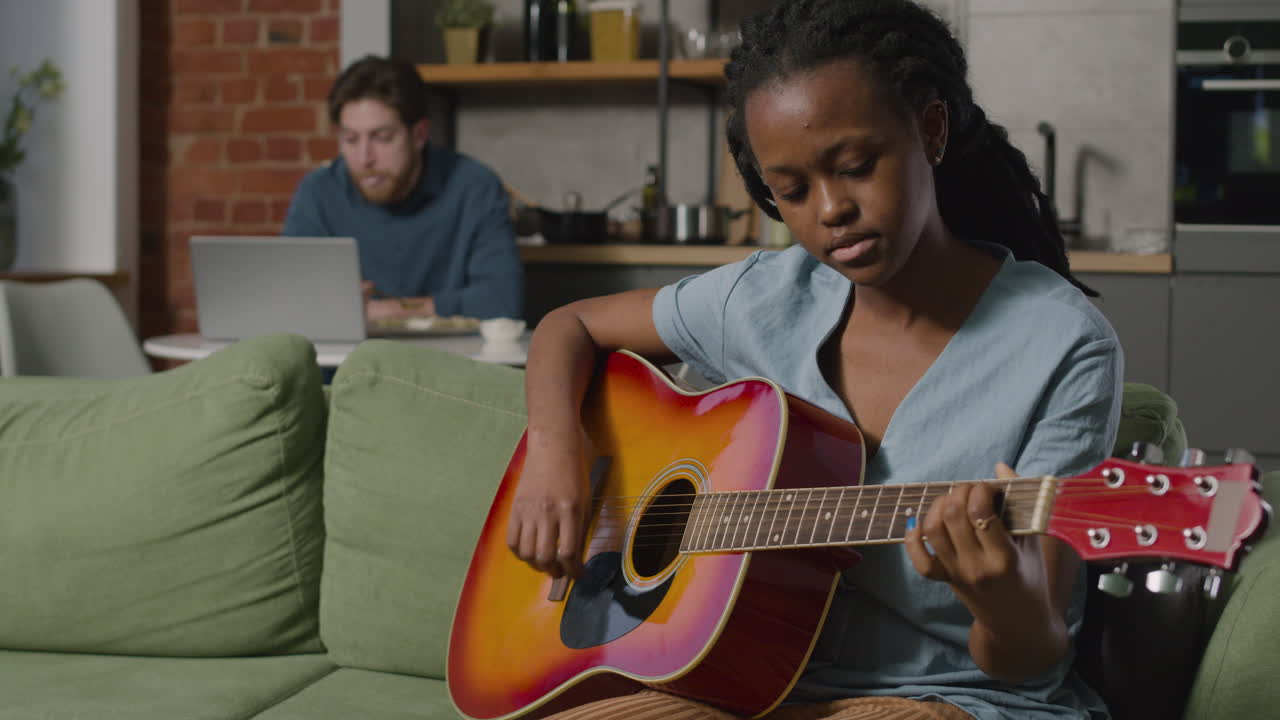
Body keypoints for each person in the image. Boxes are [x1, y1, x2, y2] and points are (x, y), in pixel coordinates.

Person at [505, 0, 1123, 718]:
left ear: (930, 131)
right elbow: (569, 325)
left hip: (953, 697)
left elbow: (1028, 657)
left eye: (857, 166)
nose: (829, 210)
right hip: (743, 684)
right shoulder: (766, 297)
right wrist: (557, 451)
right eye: (790, 192)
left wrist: (1004, 600)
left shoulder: (1062, 343)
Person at [282, 55, 523, 322]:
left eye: (382, 138)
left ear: (419, 135)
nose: (365, 158)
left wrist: (380, 311)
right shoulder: (318, 192)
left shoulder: (475, 187)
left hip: (448, 359)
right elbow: (288, 300)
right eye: (350, 139)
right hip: (344, 362)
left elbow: (501, 301)